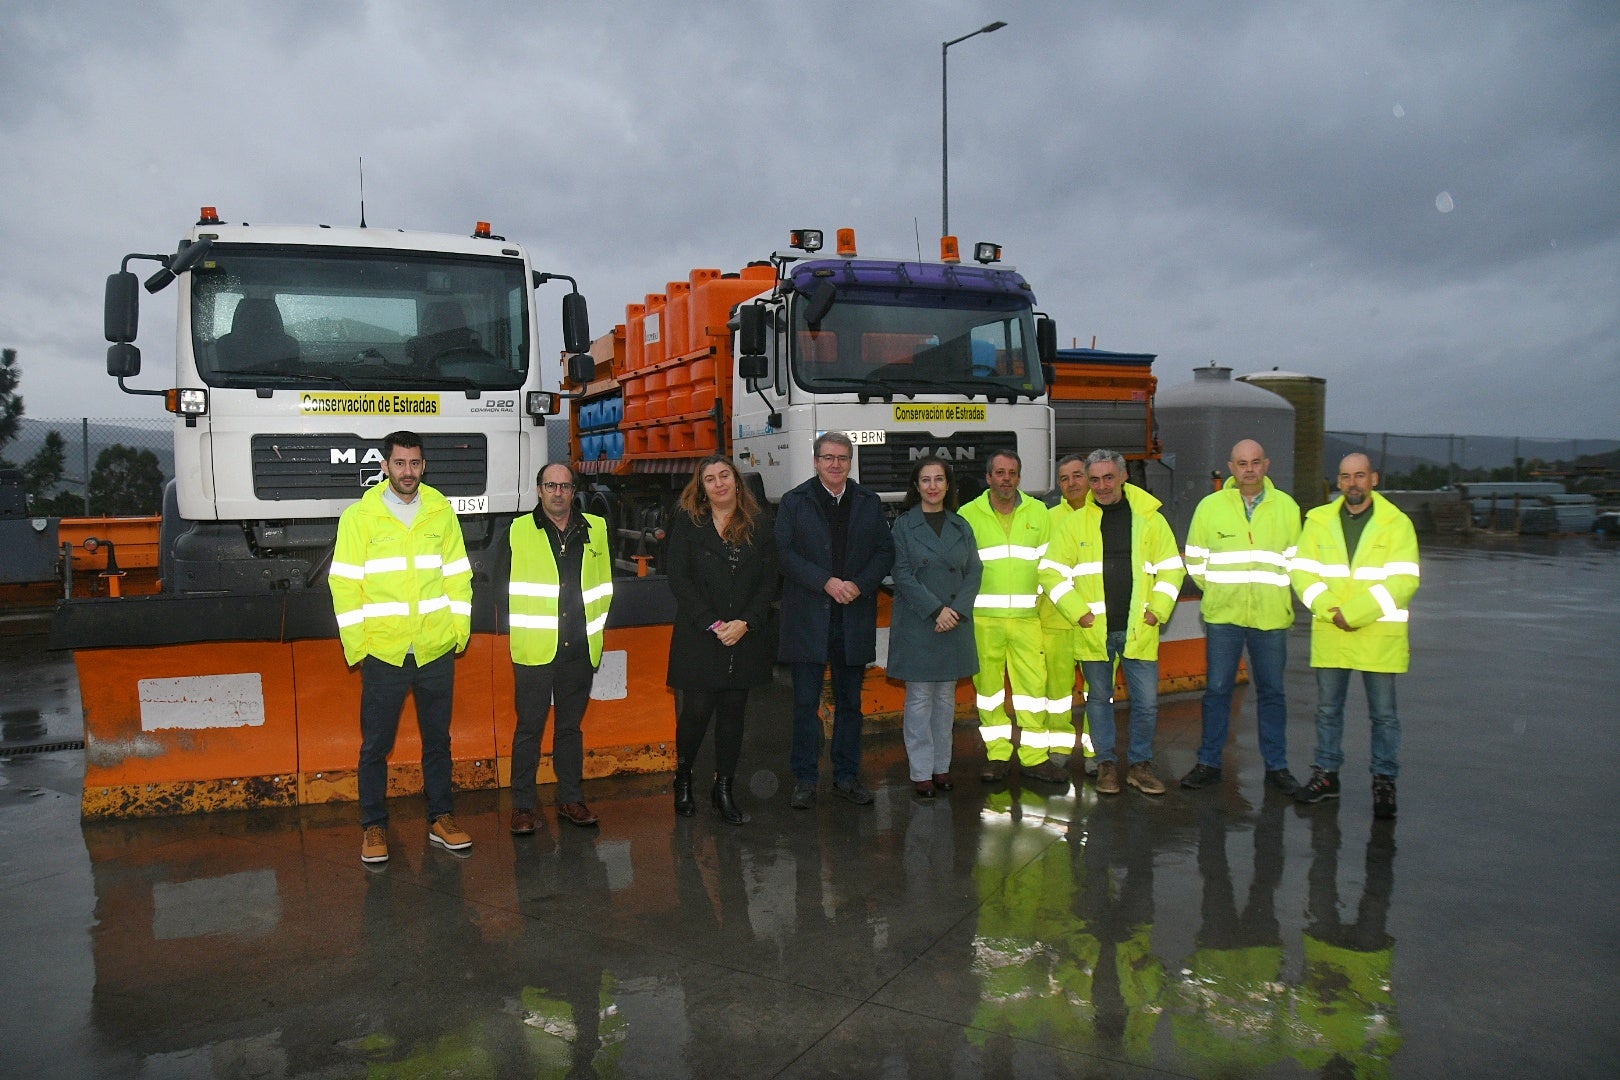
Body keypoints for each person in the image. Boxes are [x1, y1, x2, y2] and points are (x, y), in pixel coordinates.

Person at [330, 430, 474, 864]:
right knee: (375, 746)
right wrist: (359, 647)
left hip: (434, 648)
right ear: (384, 467)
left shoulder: (441, 511)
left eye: (414, 464)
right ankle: (374, 827)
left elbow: (458, 576)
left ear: (423, 466)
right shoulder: (360, 517)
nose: (407, 472)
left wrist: (457, 634)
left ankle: (441, 818)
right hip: (384, 653)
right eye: (399, 464)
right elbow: (344, 585)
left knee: (438, 741)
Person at [1041, 448, 1184, 796]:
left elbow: (1171, 567)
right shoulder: (1075, 524)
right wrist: (1079, 612)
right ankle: (1106, 765)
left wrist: (1158, 610)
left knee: (1147, 702)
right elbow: (1050, 571)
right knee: (1099, 701)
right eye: (1095, 479)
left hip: (1139, 629)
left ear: (1123, 477)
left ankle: (1139, 766)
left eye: (1108, 477)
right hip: (1095, 631)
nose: (1102, 486)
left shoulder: (1150, 519)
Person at [1290, 453, 1419, 819]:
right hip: (1333, 630)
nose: (1353, 484)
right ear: (1338, 481)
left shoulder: (1396, 524)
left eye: (1360, 476)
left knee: (1383, 716)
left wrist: (1355, 613)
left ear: (1374, 479)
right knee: (1328, 711)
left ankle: (1384, 782)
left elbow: (1404, 580)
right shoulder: (1318, 522)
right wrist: (1332, 610)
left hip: (1378, 634)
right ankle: (1326, 775)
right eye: (1345, 477)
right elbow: (1302, 572)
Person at [776, 431, 894, 809]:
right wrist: (824, 582)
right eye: (828, 458)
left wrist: (860, 585)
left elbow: (884, 551)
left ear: (850, 462)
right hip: (809, 620)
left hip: (853, 618)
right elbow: (783, 553)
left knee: (849, 705)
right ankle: (805, 780)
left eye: (842, 458)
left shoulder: (868, 502)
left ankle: (846, 777)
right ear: (815, 461)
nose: (835, 464)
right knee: (805, 704)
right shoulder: (795, 502)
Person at [1179, 439, 1304, 795]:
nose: (1249, 469)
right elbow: (1197, 562)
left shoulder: (1287, 508)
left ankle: (1277, 768)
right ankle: (1209, 763)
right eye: (1241, 463)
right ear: (1231, 468)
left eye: (1255, 462)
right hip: (1224, 616)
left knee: (1272, 693)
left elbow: (1297, 562)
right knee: (1217, 690)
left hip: (1270, 618)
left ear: (1266, 465)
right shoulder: (1210, 507)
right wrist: (1220, 591)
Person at [665, 454, 779, 824]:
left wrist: (745, 622)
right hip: (701, 634)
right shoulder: (687, 522)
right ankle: (683, 779)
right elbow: (678, 578)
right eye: (710, 479)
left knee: (733, 715)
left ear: (736, 480)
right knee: (696, 713)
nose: (718, 483)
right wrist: (713, 624)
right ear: (701, 487)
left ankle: (723, 788)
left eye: (724, 475)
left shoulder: (760, 523)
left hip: (744, 635)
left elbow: (769, 581)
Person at [506, 463, 615, 831]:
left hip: (578, 649)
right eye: (551, 485)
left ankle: (570, 799)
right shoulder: (518, 531)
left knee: (570, 729)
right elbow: (500, 591)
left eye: (565, 486)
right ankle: (523, 805)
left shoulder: (596, 528)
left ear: (573, 491)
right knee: (529, 729)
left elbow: (604, 584)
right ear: (539, 490)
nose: (557, 492)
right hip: (536, 649)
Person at [958, 450, 1064, 785]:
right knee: (988, 691)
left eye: (1013, 473)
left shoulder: (1038, 513)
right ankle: (998, 755)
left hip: (1026, 619)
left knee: (1033, 689)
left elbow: (1050, 567)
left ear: (1020, 477)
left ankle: (1034, 758)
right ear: (988, 477)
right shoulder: (967, 515)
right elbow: (958, 569)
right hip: (983, 620)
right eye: (1000, 472)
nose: (1006, 479)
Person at [888, 459, 982, 798]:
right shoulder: (903, 526)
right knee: (918, 700)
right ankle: (920, 773)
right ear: (916, 486)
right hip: (919, 623)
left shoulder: (961, 525)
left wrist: (954, 611)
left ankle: (942, 767)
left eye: (938, 479)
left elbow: (974, 572)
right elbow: (901, 574)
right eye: (925, 480)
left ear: (948, 485)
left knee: (945, 700)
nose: (932, 486)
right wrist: (936, 610)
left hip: (953, 623)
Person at [1039, 452, 1099, 777]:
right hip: (1056, 619)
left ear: (1089, 477)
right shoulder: (1048, 519)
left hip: (1095, 621)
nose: (1071, 483)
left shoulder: (1103, 515)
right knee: (1057, 692)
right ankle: (1059, 749)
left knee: (1097, 690)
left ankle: (1095, 750)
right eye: (1064, 478)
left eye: (1077, 475)